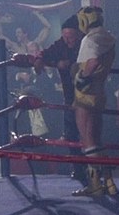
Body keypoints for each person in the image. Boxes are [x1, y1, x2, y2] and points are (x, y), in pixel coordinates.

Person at [70, 6, 116, 197]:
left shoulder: (90, 39)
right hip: (99, 91)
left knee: (87, 140)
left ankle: (95, 184)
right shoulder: (107, 37)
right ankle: (109, 181)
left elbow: (92, 62)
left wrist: (81, 77)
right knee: (96, 139)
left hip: (86, 94)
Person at [35, 14, 87, 181]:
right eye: (65, 36)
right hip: (70, 96)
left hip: (87, 95)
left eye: (70, 36)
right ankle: (78, 169)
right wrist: (41, 59)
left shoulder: (86, 43)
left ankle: (93, 170)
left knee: (88, 133)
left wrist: (67, 64)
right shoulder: (61, 44)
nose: (67, 40)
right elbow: (47, 52)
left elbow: (89, 63)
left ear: (78, 34)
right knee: (71, 134)